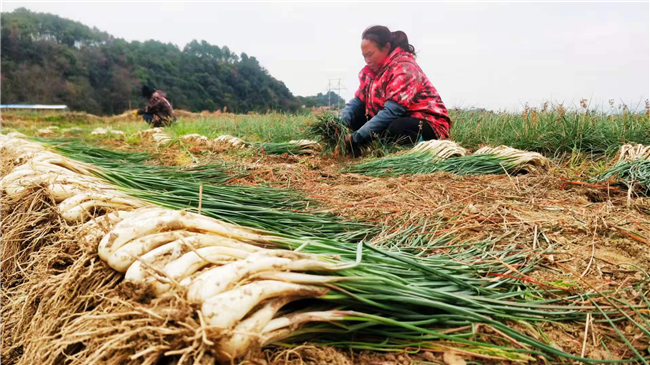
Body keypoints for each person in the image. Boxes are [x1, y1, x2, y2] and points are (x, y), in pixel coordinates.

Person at [340, 25, 451, 154]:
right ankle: (370, 146)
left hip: (426, 124)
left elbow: (392, 112)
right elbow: (358, 102)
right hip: (393, 119)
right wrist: (338, 124)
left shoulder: (404, 69)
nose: (367, 61)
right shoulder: (371, 73)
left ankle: (421, 151)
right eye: (364, 56)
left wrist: (357, 137)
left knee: (397, 128)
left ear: (386, 47)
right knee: (357, 116)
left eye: (370, 55)